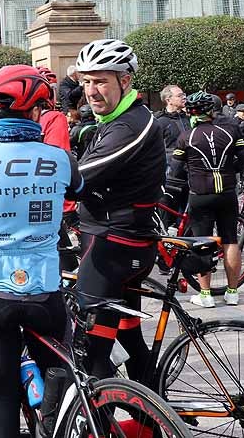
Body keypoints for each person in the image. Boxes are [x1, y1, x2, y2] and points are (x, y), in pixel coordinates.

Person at [0, 65, 83, 438]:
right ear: (37, 109)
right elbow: (78, 192)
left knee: (2, 397)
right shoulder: (59, 160)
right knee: (60, 379)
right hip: (44, 287)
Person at [73, 38, 165, 384]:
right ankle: (150, 421)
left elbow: (81, 175)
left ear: (125, 80)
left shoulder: (129, 125)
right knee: (129, 338)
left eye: (100, 81)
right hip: (128, 242)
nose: (91, 91)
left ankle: (97, 424)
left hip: (111, 244)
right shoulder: (121, 118)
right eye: (86, 81)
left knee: (92, 351)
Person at [163, 91, 244, 307]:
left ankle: (206, 294)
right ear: (212, 110)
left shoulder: (186, 137)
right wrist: (230, 168)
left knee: (203, 242)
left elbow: (174, 171)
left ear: (191, 112)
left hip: (200, 194)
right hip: (227, 191)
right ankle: (232, 292)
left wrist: (190, 172)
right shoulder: (231, 130)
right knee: (230, 240)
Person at [153, 84, 189, 168]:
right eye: (179, 95)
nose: (184, 97)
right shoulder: (160, 121)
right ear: (169, 100)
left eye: (184, 94)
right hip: (170, 170)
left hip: (191, 168)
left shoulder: (189, 118)